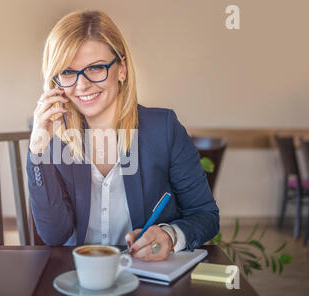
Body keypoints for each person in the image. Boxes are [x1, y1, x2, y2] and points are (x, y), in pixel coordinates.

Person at [26, 10, 219, 262]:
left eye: (95, 68)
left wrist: (170, 235)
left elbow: (205, 214)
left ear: (122, 69)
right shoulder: (55, 139)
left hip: (146, 276)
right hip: (82, 276)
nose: (81, 85)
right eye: (68, 72)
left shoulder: (163, 128)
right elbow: (54, 234)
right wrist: (38, 152)